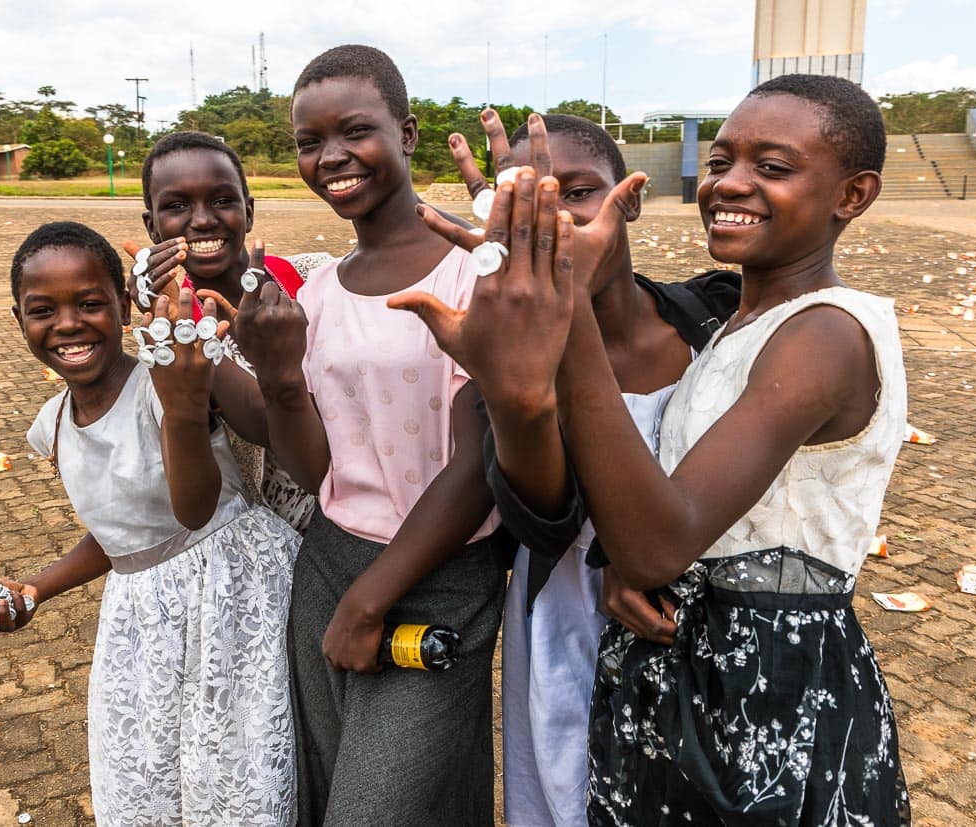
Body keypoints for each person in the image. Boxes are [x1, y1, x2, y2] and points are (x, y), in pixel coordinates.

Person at [399, 74, 910, 825]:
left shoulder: (825, 334)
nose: (731, 183)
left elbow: (656, 543)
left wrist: (563, 299)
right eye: (721, 162)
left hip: (765, 692)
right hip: (684, 667)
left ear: (853, 195)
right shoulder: (734, 323)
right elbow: (680, 515)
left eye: (772, 168)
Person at [432, 111, 739, 827]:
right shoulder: (507, 363)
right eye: (528, 201)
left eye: (576, 192)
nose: (555, 218)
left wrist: (659, 555)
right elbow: (543, 519)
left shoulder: (715, 319)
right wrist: (520, 396)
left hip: (709, 625)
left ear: (627, 197)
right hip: (567, 620)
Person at [231, 44, 512, 825]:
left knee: (373, 807)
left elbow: (479, 458)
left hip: (440, 570)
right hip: (331, 560)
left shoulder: (470, 269)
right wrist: (281, 375)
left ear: (408, 133)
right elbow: (316, 465)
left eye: (353, 131)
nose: (330, 158)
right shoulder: (319, 290)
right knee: (344, 789)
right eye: (307, 142)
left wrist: (369, 598)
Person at [0, 221, 300, 826]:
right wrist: (34, 589)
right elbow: (120, 536)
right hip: (142, 617)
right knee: (147, 773)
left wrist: (184, 409)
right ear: (19, 321)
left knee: (230, 772)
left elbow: (191, 510)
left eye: (89, 303)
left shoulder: (165, 381)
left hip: (228, 592)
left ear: (123, 306)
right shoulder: (54, 424)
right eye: (43, 310)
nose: (67, 324)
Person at [128, 130, 331, 532]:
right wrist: (177, 323)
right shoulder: (170, 342)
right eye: (176, 205)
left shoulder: (315, 277)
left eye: (222, 200)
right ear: (152, 227)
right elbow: (261, 426)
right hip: (280, 542)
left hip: (369, 513)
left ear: (249, 211)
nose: (203, 220)